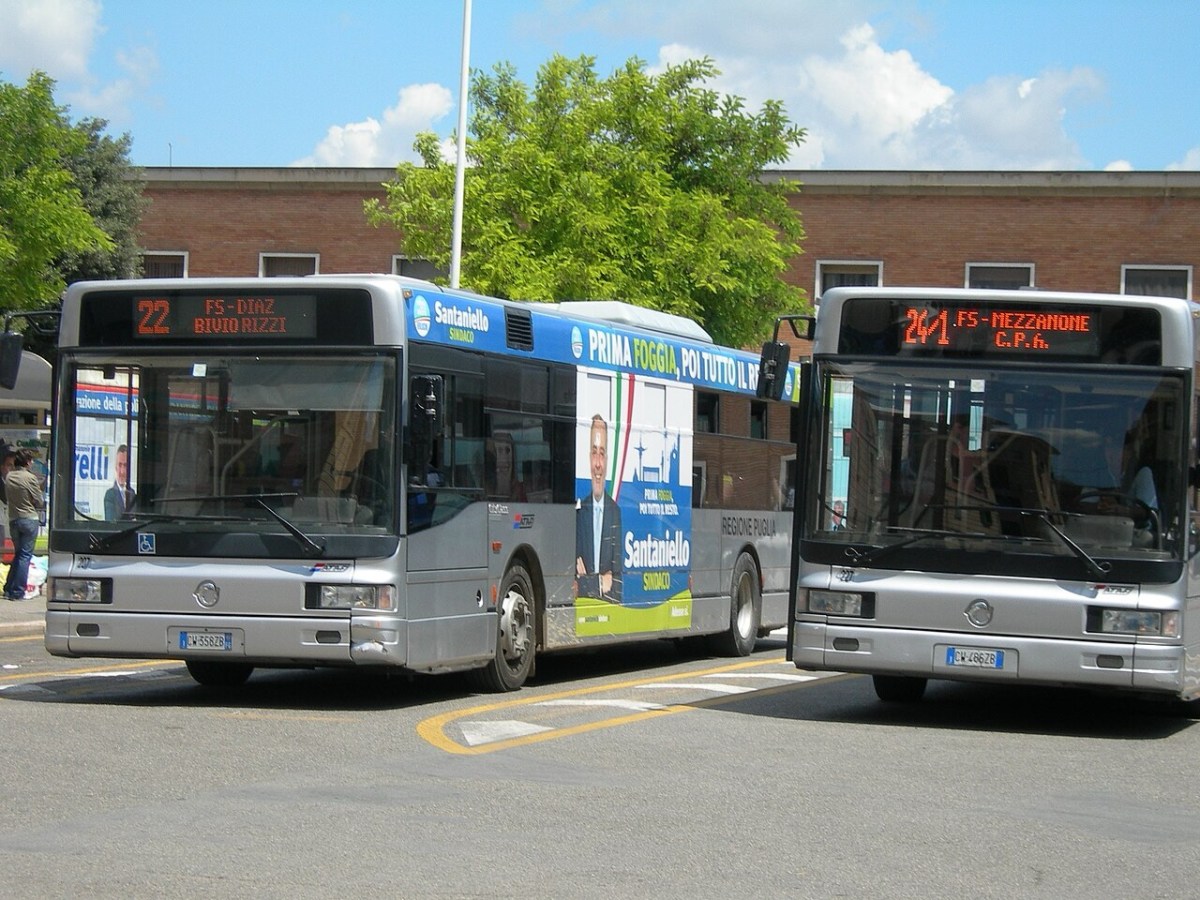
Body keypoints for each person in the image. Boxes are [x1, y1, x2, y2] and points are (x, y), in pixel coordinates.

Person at [575, 414, 622, 603]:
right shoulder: (578, 514)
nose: (597, 464)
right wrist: (601, 583)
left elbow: (618, 585)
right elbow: (572, 585)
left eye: (602, 453)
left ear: (607, 460)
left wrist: (586, 582)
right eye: (594, 453)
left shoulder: (616, 512)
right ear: (588, 458)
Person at [4, 449, 44, 601]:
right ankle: (18, 591)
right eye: (31, 460)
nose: (32, 462)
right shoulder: (30, 477)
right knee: (25, 556)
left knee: (18, 554)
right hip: (29, 519)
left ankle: (8, 588)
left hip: (14, 519)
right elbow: (39, 501)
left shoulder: (9, 476)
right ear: (27, 462)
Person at [104, 444, 136, 520]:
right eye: (120, 465)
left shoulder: (132, 493)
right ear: (116, 467)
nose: (122, 471)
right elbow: (110, 522)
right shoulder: (110, 495)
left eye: (125, 465)